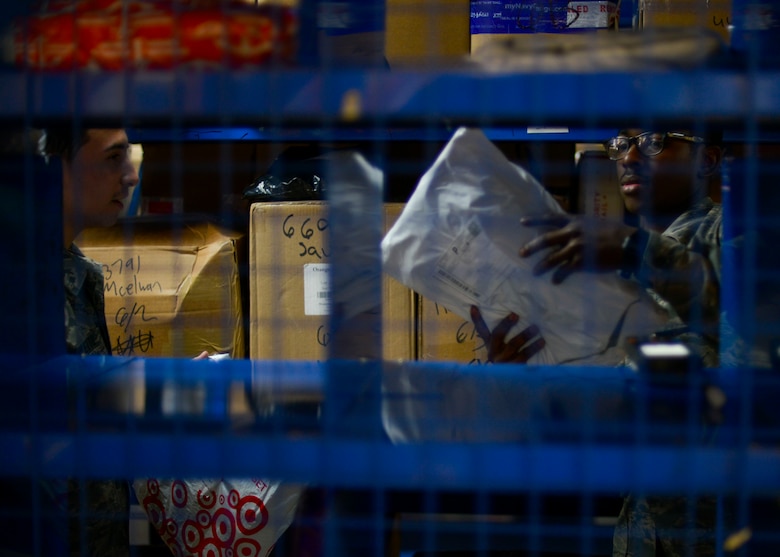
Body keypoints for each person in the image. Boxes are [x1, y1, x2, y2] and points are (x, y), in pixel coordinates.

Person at [471, 128, 728, 556]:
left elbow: (741, 310)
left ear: (707, 160)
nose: (628, 157)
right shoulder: (608, 266)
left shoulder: (734, 238)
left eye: (653, 142)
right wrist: (519, 374)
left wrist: (633, 247)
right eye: (620, 145)